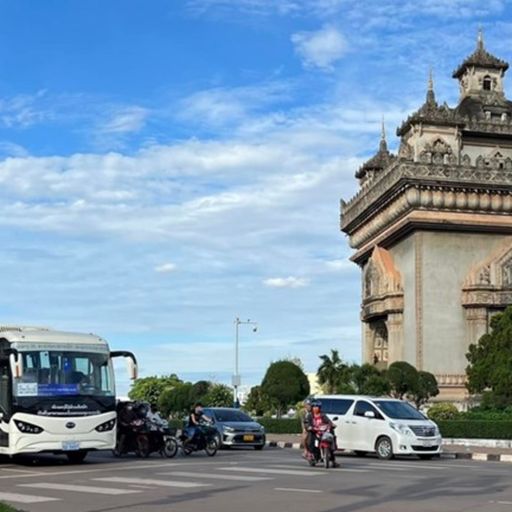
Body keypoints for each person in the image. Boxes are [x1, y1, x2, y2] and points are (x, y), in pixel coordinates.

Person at [307, 400, 339, 467]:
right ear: (312, 408)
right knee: (311, 439)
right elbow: (307, 424)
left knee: (331, 435)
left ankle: (333, 460)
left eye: (317, 407)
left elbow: (328, 421)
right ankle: (312, 455)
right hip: (315, 432)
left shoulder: (323, 415)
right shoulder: (310, 416)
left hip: (323, 432)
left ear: (319, 408)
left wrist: (332, 424)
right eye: (314, 407)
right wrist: (309, 427)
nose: (315, 408)